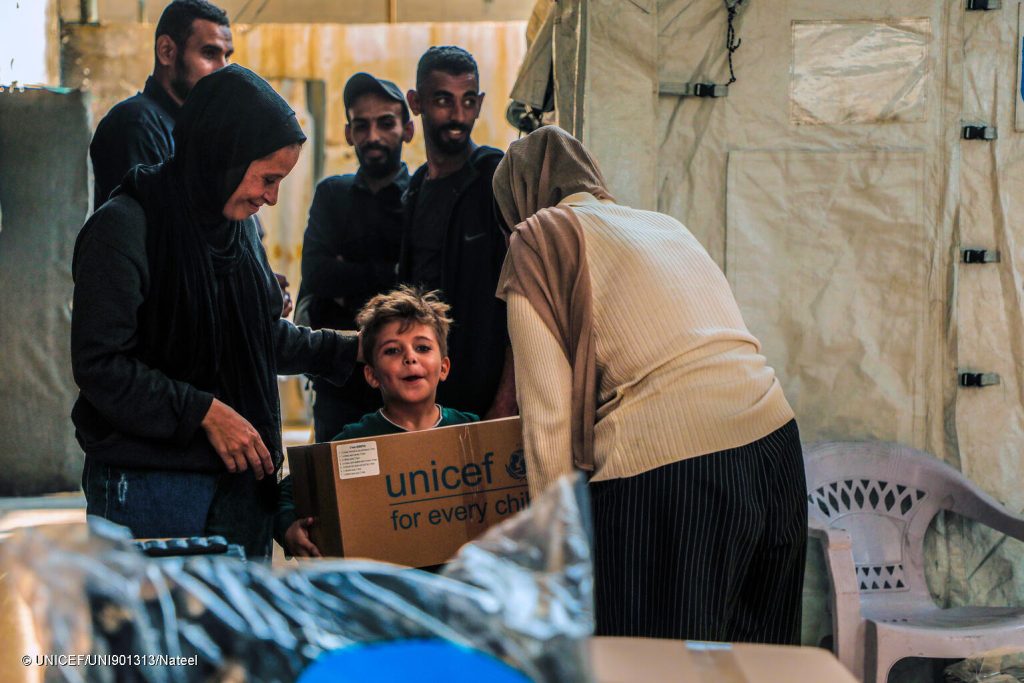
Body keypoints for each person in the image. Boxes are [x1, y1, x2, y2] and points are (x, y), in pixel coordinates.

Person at [493, 126, 807, 644]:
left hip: (673, 472)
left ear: (516, 200)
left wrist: (556, 555)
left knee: (654, 663)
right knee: (759, 663)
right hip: (775, 447)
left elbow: (547, 420)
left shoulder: (537, 239)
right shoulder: (661, 224)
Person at [71, 65, 357, 560]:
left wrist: (356, 350)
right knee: (162, 614)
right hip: (152, 488)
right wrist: (202, 411)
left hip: (240, 490)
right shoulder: (124, 230)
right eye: (267, 179)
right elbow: (101, 366)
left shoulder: (236, 229)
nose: (272, 197)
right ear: (223, 154)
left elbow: (256, 337)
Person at [277, 286, 478, 557]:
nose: (410, 357)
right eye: (392, 351)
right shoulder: (356, 439)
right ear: (372, 375)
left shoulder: (470, 431)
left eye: (422, 347)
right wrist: (287, 527)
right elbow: (290, 489)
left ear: (443, 367)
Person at [399, 45, 516, 419]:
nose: (458, 115)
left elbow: (525, 296)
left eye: (467, 101)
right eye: (443, 101)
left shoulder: (495, 177)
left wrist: (506, 399)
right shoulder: (416, 188)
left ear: (479, 104)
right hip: (430, 394)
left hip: (487, 394)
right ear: (416, 102)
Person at [295, 72, 413, 442]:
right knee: (334, 475)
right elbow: (317, 274)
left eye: (386, 123)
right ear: (349, 133)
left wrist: (347, 280)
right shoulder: (332, 195)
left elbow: (419, 284)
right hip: (339, 383)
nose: (373, 136)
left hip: (405, 384)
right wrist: (390, 273)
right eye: (361, 125)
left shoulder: (420, 197)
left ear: (408, 130)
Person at [89, 0, 232, 210]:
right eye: (209, 53)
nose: (224, 69)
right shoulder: (136, 124)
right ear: (166, 51)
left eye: (227, 56)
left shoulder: (193, 129)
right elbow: (152, 222)